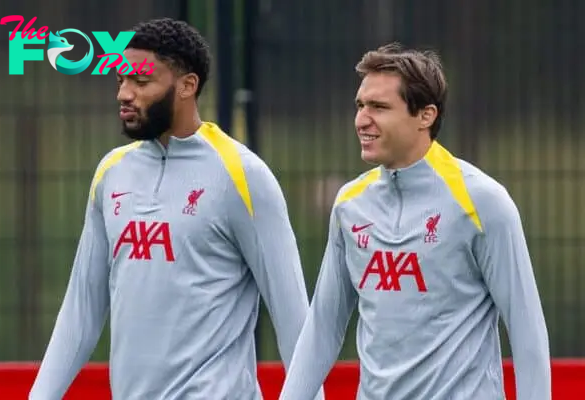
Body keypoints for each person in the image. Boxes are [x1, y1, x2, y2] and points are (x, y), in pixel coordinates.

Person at [30, 18, 322, 400]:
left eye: (141, 81)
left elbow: (295, 323)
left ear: (187, 86)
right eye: (120, 80)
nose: (124, 93)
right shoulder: (111, 174)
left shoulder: (243, 176)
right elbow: (79, 316)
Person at [279, 43, 551, 400]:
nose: (362, 119)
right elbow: (322, 328)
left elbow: (526, 329)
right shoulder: (349, 204)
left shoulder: (483, 202)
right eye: (360, 105)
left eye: (379, 107)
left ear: (425, 115)